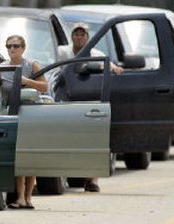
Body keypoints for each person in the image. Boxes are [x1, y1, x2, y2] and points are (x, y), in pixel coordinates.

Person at [58, 22, 123, 193]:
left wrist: (115, 68)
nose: (79, 37)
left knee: (93, 140)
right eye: (76, 34)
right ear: (71, 36)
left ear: (88, 38)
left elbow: (106, 65)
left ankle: (92, 180)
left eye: (82, 34)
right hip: (64, 101)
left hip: (88, 101)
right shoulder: (61, 51)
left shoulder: (96, 53)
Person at [0, 35, 48, 209]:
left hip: (33, 115)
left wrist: (27, 81)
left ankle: (28, 197)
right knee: (19, 156)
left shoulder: (31, 65)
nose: (12, 49)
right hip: (13, 114)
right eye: (9, 46)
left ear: (23, 48)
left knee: (31, 155)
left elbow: (45, 87)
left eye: (16, 46)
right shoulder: (0, 68)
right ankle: (20, 197)